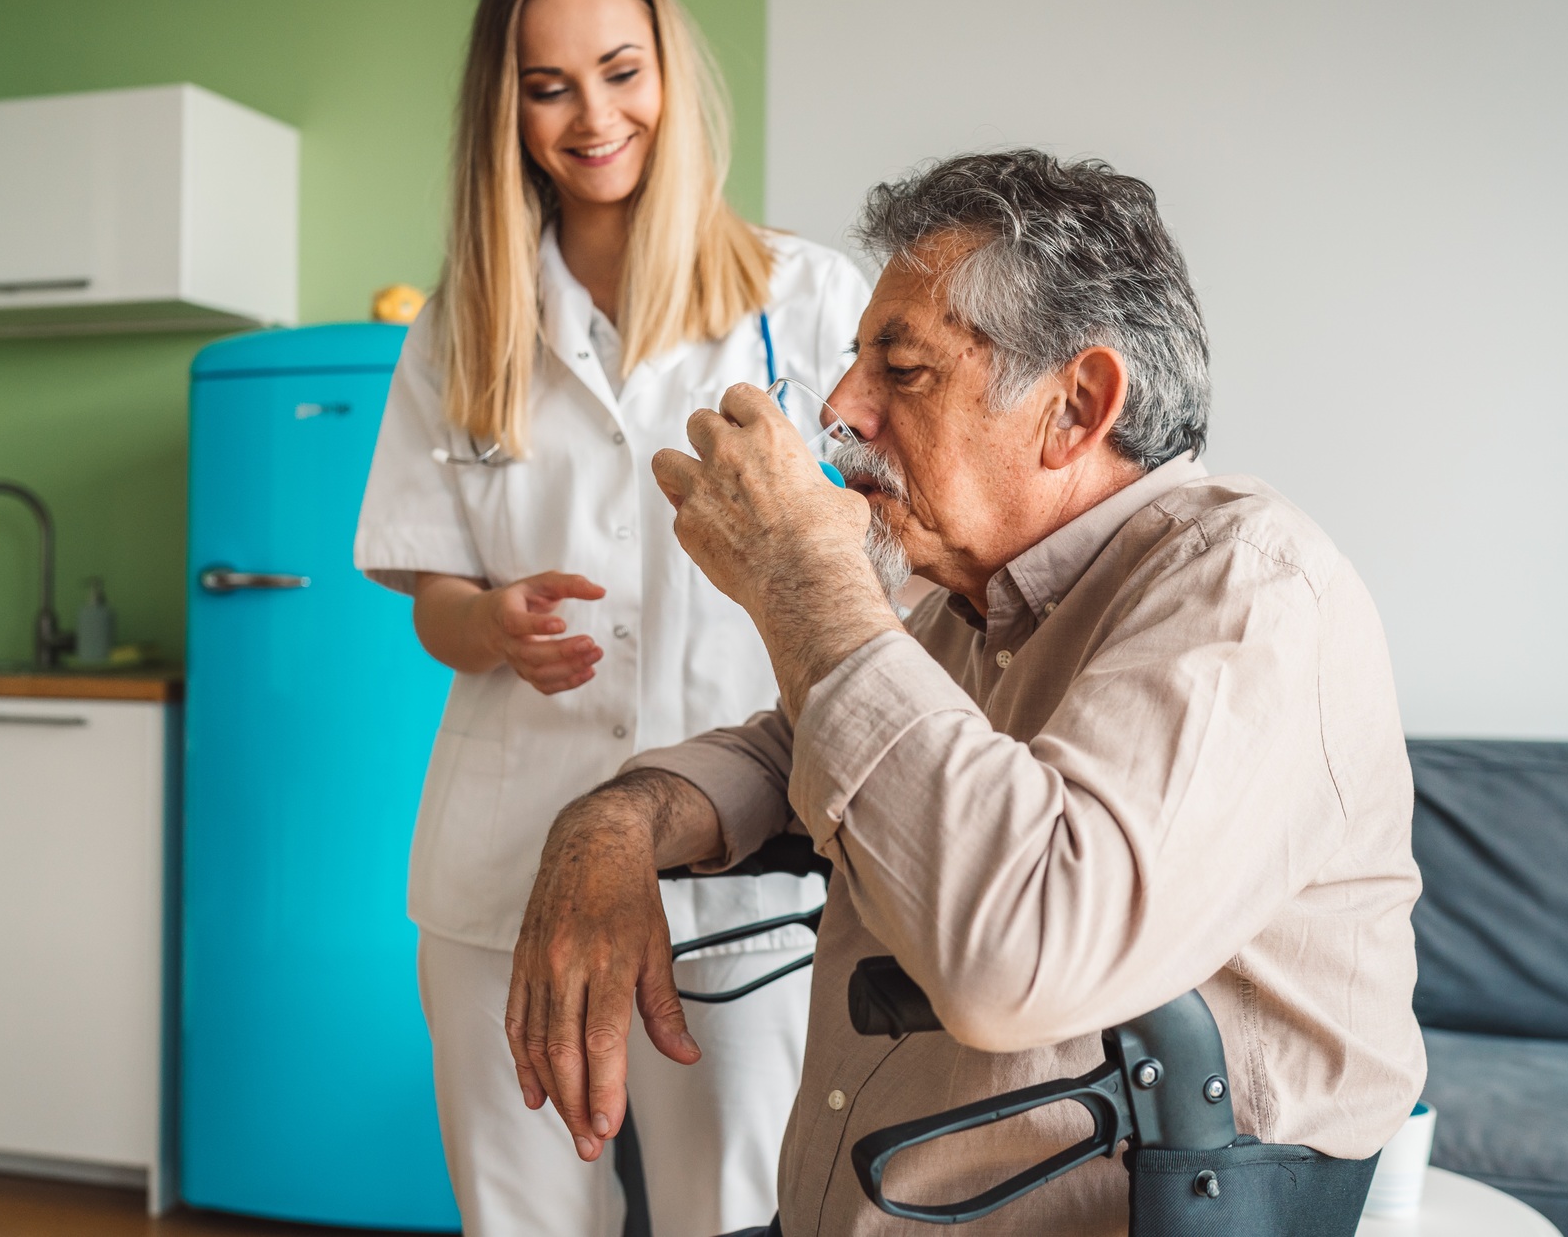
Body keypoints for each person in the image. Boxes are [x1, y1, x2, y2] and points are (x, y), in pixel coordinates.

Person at [507, 150, 1427, 1234]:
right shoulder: (972, 606)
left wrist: (806, 581)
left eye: (901, 371)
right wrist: (610, 823)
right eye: (854, 365)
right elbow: (787, 750)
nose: (842, 409)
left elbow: (1020, 953)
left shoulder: (1248, 587)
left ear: (1075, 406)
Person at [352, 0, 871, 1237]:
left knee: (739, 1215)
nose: (593, 116)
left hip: (742, 868)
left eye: (620, 71)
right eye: (549, 86)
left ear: (670, 77)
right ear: (508, 109)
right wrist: (490, 620)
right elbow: (430, 595)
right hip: (504, 860)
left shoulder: (804, 299)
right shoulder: (462, 324)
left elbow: (899, 559)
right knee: (522, 1216)